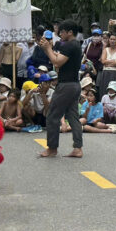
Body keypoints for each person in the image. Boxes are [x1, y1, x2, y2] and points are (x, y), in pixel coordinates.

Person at [38, 20, 83, 158]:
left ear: (70, 32)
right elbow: (58, 59)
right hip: (74, 84)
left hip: (66, 85)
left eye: (62, 32)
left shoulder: (69, 45)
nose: (60, 34)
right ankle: (78, 148)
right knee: (73, 116)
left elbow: (56, 62)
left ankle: (52, 148)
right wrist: (49, 49)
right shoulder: (76, 45)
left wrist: (47, 49)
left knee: (52, 115)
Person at [97, 33, 116, 97]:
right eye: (111, 39)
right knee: (104, 91)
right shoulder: (105, 49)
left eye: (114, 39)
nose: (112, 41)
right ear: (109, 40)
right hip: (106, 73)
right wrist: (113, 61)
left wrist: (108, 62)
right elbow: (103, 61)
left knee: (115, 92)